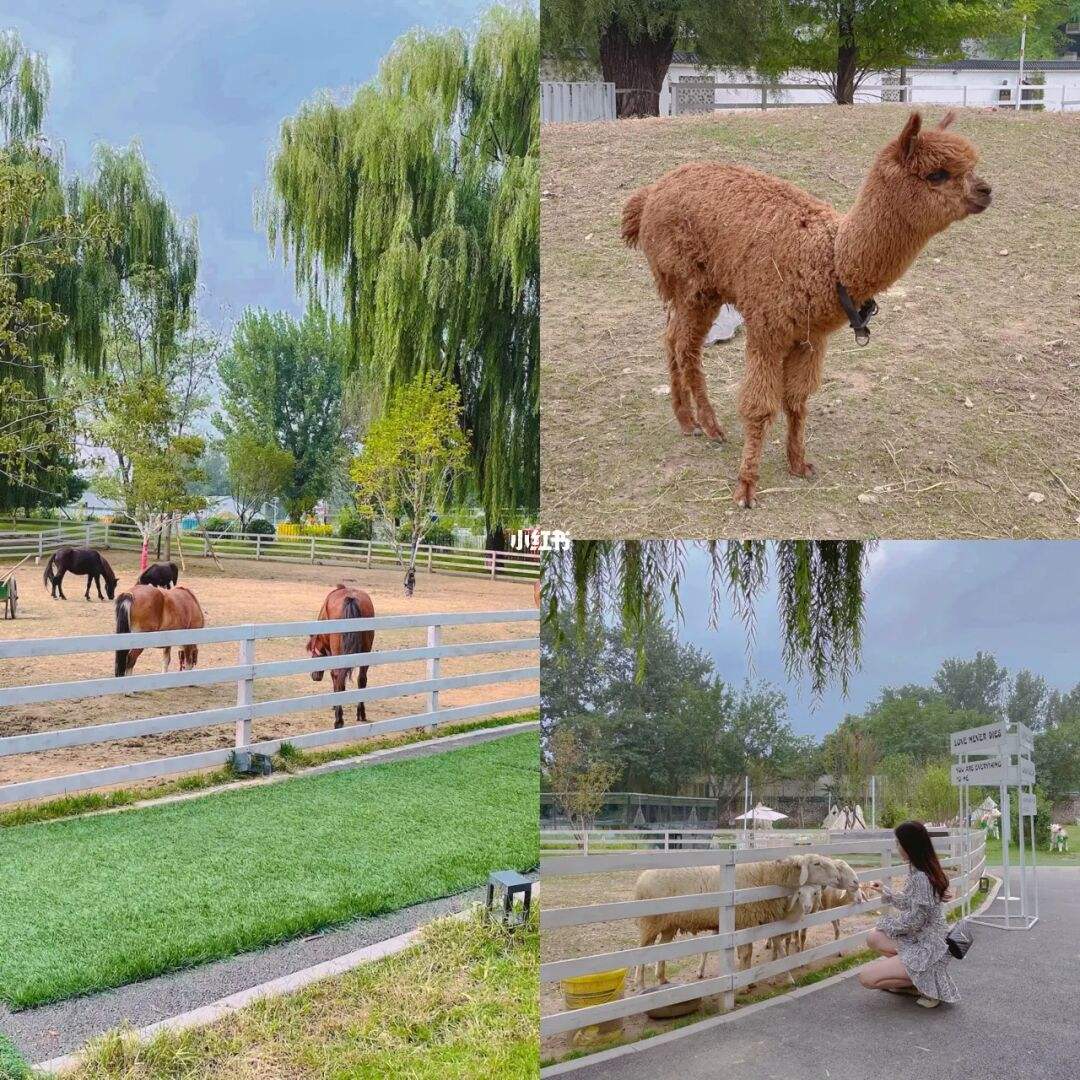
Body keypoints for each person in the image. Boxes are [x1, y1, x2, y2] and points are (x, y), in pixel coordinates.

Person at [858, 820, 959, 1008]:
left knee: (866, 978)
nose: (897, 847)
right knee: (874, 937)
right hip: (921, 939)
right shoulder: (919, 870)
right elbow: (910, 904)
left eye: (899, 843)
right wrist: (886, 891)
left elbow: (914, 921)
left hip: (927, 947)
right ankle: (915, 982)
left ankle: (926, 982)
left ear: (909, 846)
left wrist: (888, 924)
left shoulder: (921, 877)